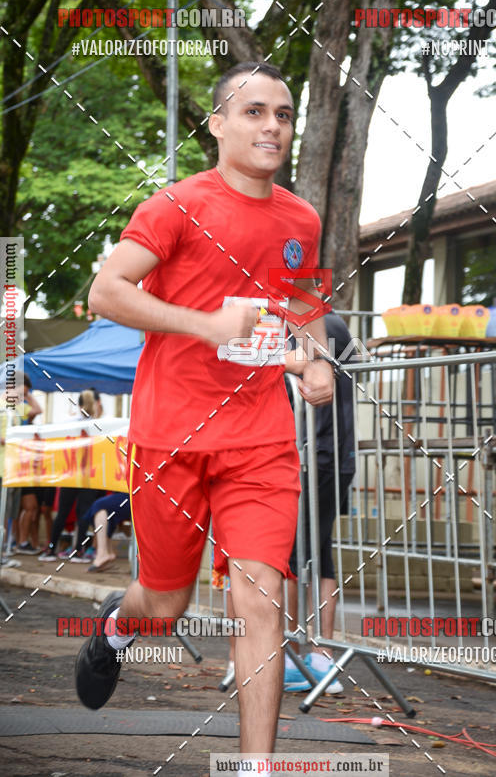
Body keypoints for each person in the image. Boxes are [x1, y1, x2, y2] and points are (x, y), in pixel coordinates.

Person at [74, 62, 333, 760]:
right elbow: (107, 291)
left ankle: (254, 769)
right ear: (217, 124)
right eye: (254, 111)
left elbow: (304, 302)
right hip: (173, 434)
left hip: (261, 439)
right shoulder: (175, 205)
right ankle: (117, 628)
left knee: (259, 598)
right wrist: (205, 325)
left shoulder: (302, 218)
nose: (272, 125)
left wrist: (316, 361)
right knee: (165, 603)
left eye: (283, 113)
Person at [283, 313, 357, 694]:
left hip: (316, 455)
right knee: (321, 551)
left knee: (292, 555)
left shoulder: (307, 326)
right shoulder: (335, 325)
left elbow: (290, 367)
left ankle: (292, 657)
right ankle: (321, 656)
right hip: (335, 455)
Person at [38, 390, 103, 563]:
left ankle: (51, 549)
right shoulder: (100, 425)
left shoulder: (68, 423)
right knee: (83, 514)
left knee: (62, 513)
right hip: (89, 475)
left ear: (79, 405)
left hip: (70, 473)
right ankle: (78, 551)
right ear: (94, 404)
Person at [12, 373, 45, 555]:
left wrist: (27, 394)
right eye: (21, 393)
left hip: (24, 466)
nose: (22, 396)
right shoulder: (6, 407)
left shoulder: (22, 408)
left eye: (25, 394)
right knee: (14, 510)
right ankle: (13, 543)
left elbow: (38, 410)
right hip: (10, 466)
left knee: (30, 507)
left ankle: (21, 543)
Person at [82, 491, 131, 572]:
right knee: (106, 509)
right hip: (131, 494)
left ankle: (103, 553)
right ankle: (108, 551)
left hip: (135, 495)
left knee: (99, 505)